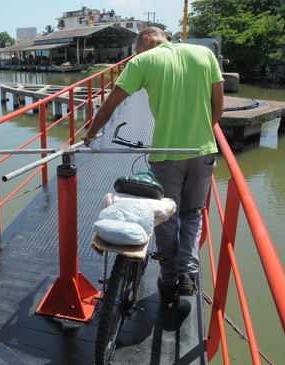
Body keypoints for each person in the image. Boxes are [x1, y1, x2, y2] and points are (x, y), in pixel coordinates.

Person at [82, 27, 224, 301]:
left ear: (146, 39)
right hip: (203, 152)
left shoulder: (143, 61)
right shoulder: (206, 54)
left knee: (166, 215)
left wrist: (90, 135)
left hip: (166, 154)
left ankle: (168, 278)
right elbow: (218, 106)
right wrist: (201, 135)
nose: (136, 55)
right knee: (193, 213)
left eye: (137, 49)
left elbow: (109, 107)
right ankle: (187, 274)